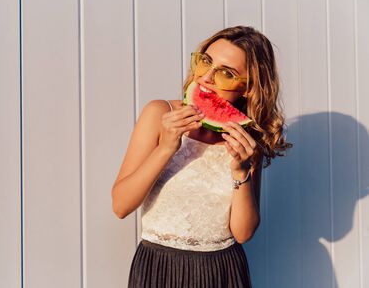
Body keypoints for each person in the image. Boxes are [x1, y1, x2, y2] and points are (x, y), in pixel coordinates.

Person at [111, 25, 293, 288]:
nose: (206, 78)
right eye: (205, 61)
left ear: (250, 88)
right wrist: (166, 148)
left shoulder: (246, 139)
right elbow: (121, 205)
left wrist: (241, 172)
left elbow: (243, 232)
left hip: (222, 271)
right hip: (158, 267)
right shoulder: (158, 113)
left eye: (226, 74)